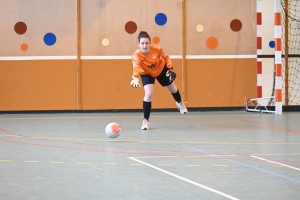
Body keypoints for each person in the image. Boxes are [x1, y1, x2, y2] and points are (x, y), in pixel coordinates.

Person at [130, 31, 188, 130]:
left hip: (161, 69)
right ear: (139, 44)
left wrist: (170, 69)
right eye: (142, 43)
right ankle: (145, 121)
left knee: (172, 88)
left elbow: (166, 57)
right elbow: (136, 67)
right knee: (148, 94)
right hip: (146, 73)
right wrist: (135, 77)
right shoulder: (136, 55)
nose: (144, 45)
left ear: (150, 43)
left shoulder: (157, 49)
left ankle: (180, 103)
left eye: (147, 43)